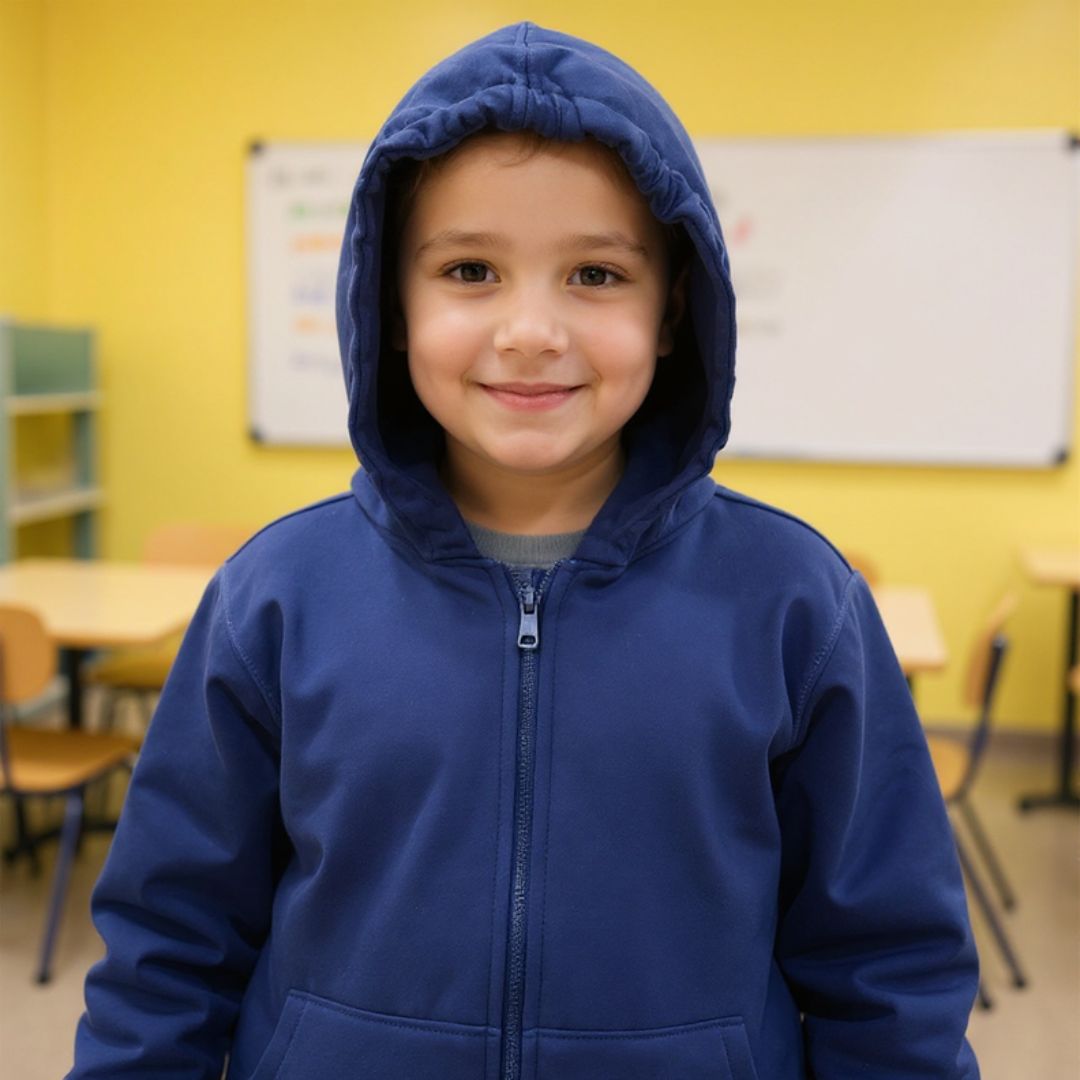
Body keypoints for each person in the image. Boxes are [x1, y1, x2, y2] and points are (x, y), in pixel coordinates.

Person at [68, 21, 980, 1079]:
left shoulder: (794, 606)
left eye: (594, 275)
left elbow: (889, 973)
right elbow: (166, 948)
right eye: (470, 270)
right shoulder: (274, 598)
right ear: (392, 308)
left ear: (673, 311)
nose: (531, 331)